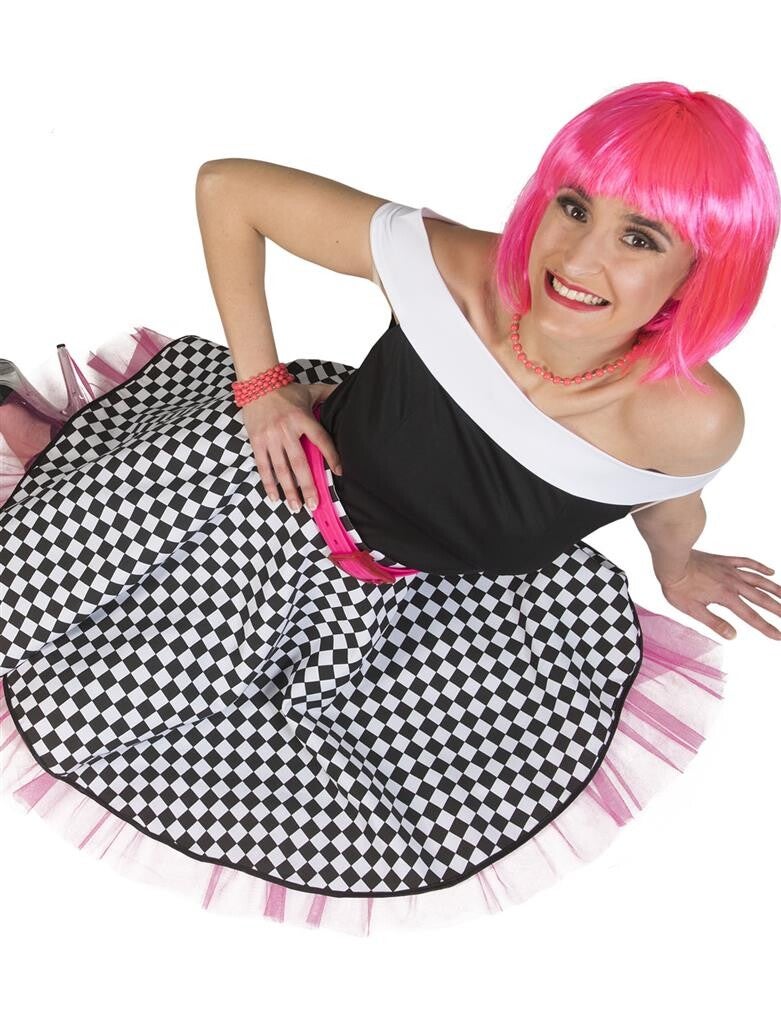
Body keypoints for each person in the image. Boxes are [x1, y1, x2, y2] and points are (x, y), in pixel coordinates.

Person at [0, 80, 779, 938]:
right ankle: (25, 428)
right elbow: (230, 188)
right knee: (81, 656)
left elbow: (664, 494)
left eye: (638, 238)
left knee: (376, 808)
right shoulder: (451, 271)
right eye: (571, 206)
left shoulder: (691, 420)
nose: (576, 260)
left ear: (702, 271)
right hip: (260, 499)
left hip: (409, 598)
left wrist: (678, 564)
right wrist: (261, 388)